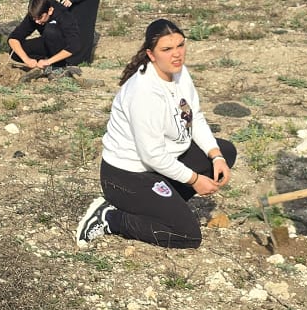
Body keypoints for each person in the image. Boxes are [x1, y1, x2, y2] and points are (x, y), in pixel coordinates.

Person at [75, 19, 238, 250]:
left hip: (164, 163)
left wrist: (216, 156)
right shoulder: (144, 92)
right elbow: (152, 156)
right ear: (151, 54)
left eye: (180, 46)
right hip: (128, 175)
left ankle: (163, 205)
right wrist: (194, 179)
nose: (177, 54)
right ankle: (111, 218)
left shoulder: (179, 73)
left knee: (226, 151)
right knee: (187, 235)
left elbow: (195, 116)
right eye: (167, 49)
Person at [7, 0, 74, 71]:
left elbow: (73, 46)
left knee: (50, 30)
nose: (37, 21)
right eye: (34, 19)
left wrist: (49, 61)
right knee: (15, 51)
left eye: (39, 18)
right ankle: (47, 67)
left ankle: (60, 66)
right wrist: (27, 60)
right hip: (48, 43)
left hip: (65, 48)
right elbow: (13, 38)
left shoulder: (62, 14)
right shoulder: (36, 15)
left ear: (50, 11)